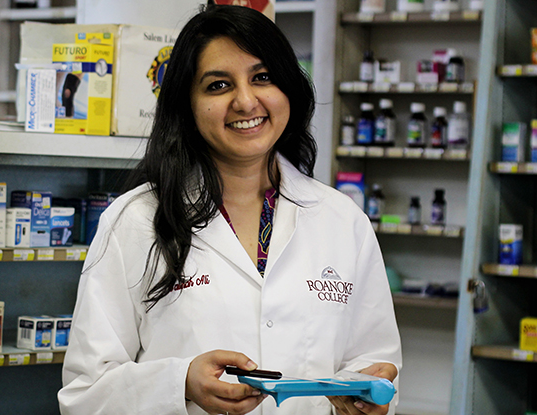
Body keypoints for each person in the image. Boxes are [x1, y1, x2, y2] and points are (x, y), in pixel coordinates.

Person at [58, 4, 401, 415]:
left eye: (262, 77)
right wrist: (179, 383)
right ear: (187, 103)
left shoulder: (342, 221)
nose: (245, 101)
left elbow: (375, 364)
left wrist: (365, 400)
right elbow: (84, 394)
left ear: (289, 88)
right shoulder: (135, 222)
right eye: (218, 86)